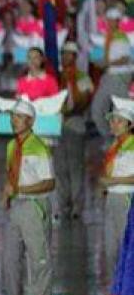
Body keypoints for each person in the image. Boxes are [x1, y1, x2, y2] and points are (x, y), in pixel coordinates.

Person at [2, 100, 55, 295]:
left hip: (34, 206)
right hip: (15, 207)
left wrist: (21, 189)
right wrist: (8, 192)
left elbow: (49, 182)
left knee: (38, 263)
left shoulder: (39, 147)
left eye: (19, 116)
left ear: (31, 121)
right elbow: (11, 174)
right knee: (10, 262)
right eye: (13, 116)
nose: (14, 120)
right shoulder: (12, 145)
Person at [56, 42, 93, 220]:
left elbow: (86, 100)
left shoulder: (82, 77)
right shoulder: (56, 77)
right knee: (60, 167)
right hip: (57, 125)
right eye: (63, 54)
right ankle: (64, 204)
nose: (65, 57)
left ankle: (77, 205)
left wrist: (70, 112)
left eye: (69, 54)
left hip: (75, 123)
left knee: (75, 166)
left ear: (75, 57)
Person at [100, 106, 134, 285]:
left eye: (119, 121)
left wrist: (115, 181)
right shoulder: (113, 146)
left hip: (126, 199)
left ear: (130, 124)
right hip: (112, 199)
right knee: (112, 249)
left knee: (125, 247)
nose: (114, 125)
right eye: (112, 121)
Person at [93, 8, 132, 137]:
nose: (110, 23)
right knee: (98, 110)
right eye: (108, 21)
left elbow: (125, 59)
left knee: (123, 111)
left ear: (118, 22)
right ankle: (109, 138)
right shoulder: (108, 37)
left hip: (119, 77)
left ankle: (124, 141)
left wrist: (107, 64)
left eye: (113, 21)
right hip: (109, 76)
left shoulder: (122, 37)